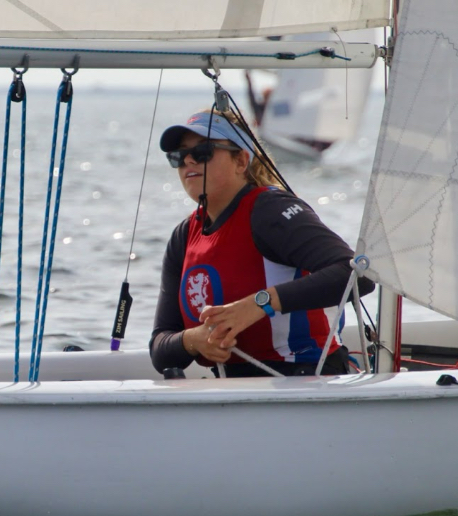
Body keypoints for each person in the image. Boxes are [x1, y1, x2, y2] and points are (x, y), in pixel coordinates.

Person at [149, 108, 373, 378]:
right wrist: (194, 340)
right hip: (234, 389)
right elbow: (160, 347)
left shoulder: (269, 211)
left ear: (241, 161)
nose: (188, 161)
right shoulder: (183, 236)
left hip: (306, 379)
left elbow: (358, 275)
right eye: (178, 156)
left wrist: (259, 304)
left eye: (203, 152)